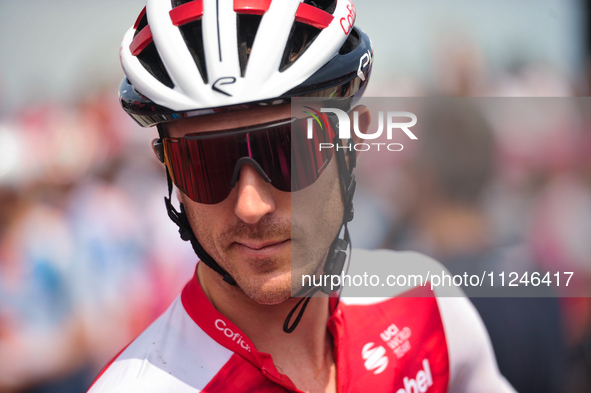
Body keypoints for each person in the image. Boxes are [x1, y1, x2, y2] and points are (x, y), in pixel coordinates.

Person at [89, 1, 514, 392]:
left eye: (290, 151)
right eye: (207, 165)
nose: (251, 206)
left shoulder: (423, 302)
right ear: (170, 171)